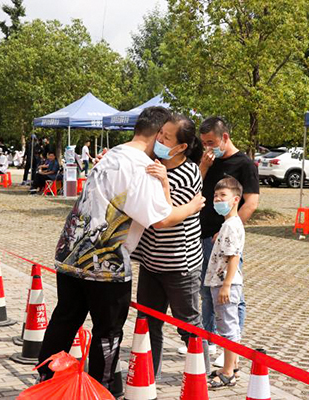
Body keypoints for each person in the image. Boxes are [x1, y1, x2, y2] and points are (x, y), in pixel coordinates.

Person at [36, 107, 205, 393]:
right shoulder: (142, 167)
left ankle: (44, 383)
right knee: (108, 332)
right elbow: (161, 219)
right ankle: (101, 391)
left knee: (64, 319)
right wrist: (193, 206)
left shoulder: (112, 154)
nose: (164, 141)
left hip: (70, 253)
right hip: (105, 264)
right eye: (163, 135)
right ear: (157, 134)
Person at [131, 113, 210, 378]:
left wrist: (164, 181)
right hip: (151, 261)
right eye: (160, 133)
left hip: (179, 264)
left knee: (189, 326)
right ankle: (146, 380)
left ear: (182, 146)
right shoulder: (152, 162)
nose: (159, 139)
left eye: (166, 137)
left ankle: (200, 379)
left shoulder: (189, 173)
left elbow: (165, 219)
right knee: (147, 323)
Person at [196, 117, 259, 366]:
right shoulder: (208, 161)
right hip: (202, 234)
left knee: (231, 293)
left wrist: (228, 229)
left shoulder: (244, 164)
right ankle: (210, 339)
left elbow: (251, 202)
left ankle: (231, 346)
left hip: (225, 240)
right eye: (204, 143)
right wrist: (203, 166)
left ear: (224, 137)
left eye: (211, 142)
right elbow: (195, 189)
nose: (207, 147)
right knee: (207, 290)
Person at [204, 176, 245, 389]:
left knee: (227, 329)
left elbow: (233, 256)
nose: (218, 199)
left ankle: (228, 371)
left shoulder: (230, 225)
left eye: (223, 195)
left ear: (235, 199)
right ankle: (232, 366)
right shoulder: (229, 224)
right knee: (229, 326)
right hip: (223, 283)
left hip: (225, 284)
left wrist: (226, 285)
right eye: (215, 195)